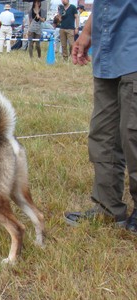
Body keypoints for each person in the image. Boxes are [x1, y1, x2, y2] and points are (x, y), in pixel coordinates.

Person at [65, 0, 137, 234]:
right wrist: (87, 32)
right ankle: (108, 208)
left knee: (133, 136)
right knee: (102, 134)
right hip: (107, 55)